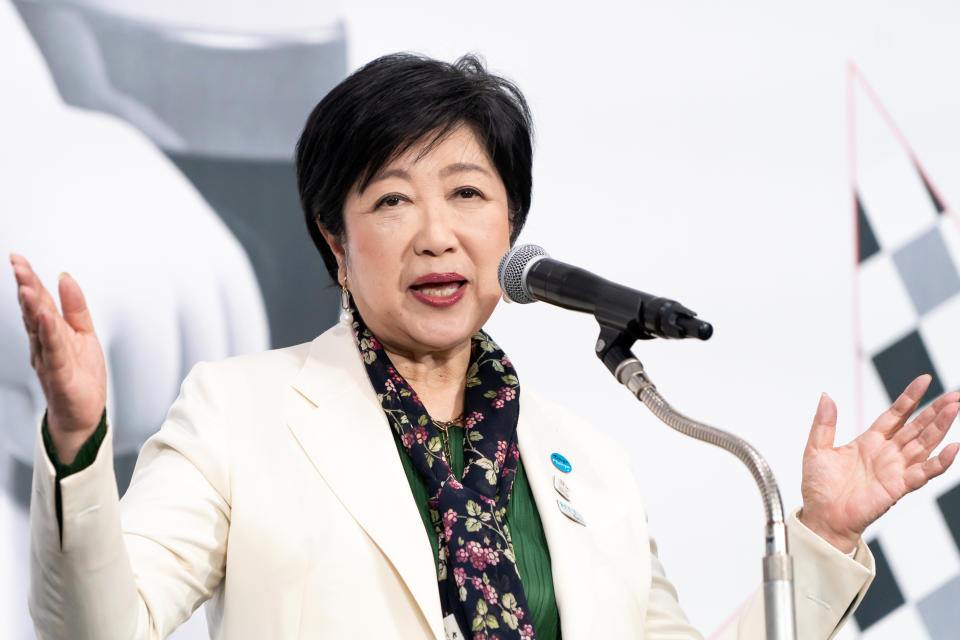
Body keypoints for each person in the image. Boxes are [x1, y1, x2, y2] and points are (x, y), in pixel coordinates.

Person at [11, 53, 960, 640]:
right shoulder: (239, 411)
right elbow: (95, 630)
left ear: (511, 231)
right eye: (390, 199)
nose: (435, 234)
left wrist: (825, 537)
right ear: (335, 243)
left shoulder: (587, 467)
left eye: (467, 193)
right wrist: (78, 442)